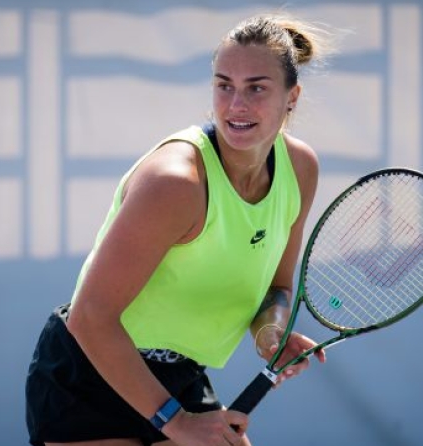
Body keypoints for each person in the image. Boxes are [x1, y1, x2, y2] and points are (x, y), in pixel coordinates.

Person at [26, 12, 333, 446]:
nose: (236, 105)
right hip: (91, 373)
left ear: (292, 97)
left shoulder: (300, 169)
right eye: (224, 85)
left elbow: (276, 288)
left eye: (256, 88)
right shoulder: (175, 183)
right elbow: (90, 316)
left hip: (181, 375)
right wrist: (177, 422)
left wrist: (270, 335)